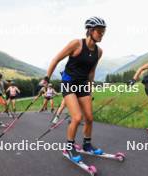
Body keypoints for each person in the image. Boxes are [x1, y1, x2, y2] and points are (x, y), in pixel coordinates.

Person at [45, 16, 106, 162]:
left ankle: (86, 145)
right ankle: (69, 147)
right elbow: (56, 59)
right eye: (99, 31)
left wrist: (89, 90)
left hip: (83, 84)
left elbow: (91, 72)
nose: (102, 34)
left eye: (103, 32)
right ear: (90, 30)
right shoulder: (76, 44)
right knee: (77, 117)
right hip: (69, 83)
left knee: (90, 118)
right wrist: (46, 78)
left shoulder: (99, 51)